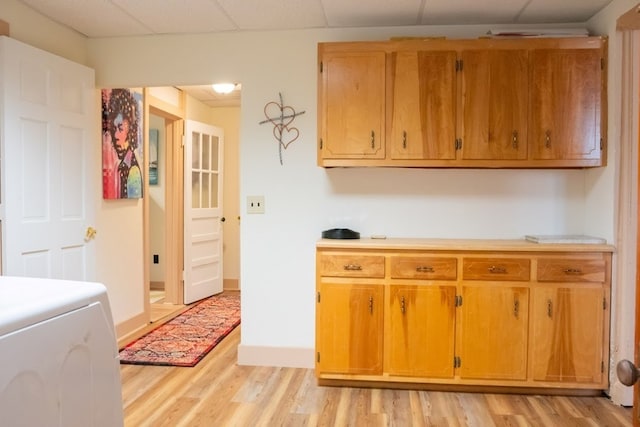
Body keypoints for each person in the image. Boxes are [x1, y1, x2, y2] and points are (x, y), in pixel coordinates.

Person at [102, 88, 143, 199]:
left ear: (131, 130)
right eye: (113, 129)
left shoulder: (133, 171)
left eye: (120, 129)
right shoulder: (121, 167)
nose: (115, 136)